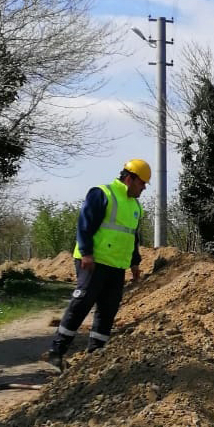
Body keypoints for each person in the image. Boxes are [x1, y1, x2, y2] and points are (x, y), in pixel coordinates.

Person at [43, 159, 149, 371]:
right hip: (93, 261)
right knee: (82, 302)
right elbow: (85, 225)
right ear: (129, 178)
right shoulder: (102, 194)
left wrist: (135, 263)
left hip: (116, 265)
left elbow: (132, 238)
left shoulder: (136, 206)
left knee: (108, 308)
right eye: (141, 183)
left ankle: (95, 354)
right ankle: (56, 351)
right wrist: (86, 253)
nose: (144, 188)